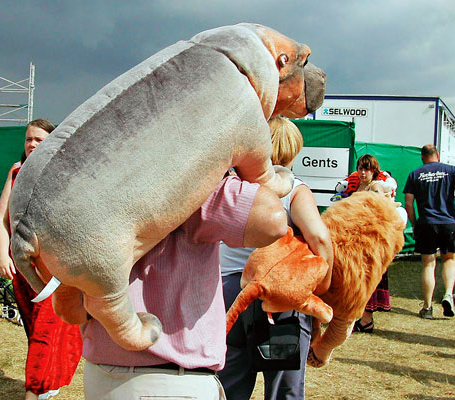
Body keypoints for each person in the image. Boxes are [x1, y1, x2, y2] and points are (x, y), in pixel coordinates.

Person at [80, 158, 289, 398]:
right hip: (167, 379)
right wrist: (241, 167)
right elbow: (272, 220)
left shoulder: (101, 178)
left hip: (105, 372)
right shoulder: (193, 180)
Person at [217, 117, 333, 400]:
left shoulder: (232, 184)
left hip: (229, 293)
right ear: (295, 149)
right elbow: (319, 238)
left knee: (229, 385)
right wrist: (322, 284)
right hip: (279, 301)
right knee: (283, 388)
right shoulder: (294, 189)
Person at [0, 119, 82, 400]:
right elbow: (0, 220)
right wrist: (1, 255)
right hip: (21, 267)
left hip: (53, 269)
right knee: (34, 329)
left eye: (39, 140)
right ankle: (48, 381)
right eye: (29, 139)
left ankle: (34, 390)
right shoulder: (16, 172)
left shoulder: (64, 175)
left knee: (48, 330)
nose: (32, 144)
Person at [344, 154, 394, 333]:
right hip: (355, 239)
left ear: (374, 171)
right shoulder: (356, 186)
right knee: (356, 279)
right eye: (360, 168)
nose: (363, 172)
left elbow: (381, 207)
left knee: (367, 279)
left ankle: (366, 320)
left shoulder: (375, 186)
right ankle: (358, 318)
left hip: (371, 240)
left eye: (367, 169)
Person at [403, 144, 455, 319]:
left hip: (426, 223)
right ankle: (448, 294)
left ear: (422, 157)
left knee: (428, 264)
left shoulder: (415, 174)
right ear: (437, 155)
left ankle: (427, 307)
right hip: (448, 223)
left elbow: (408, 203)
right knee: (449, 259)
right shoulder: (451, 170)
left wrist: (415, 223)